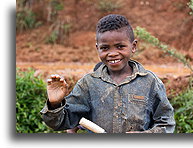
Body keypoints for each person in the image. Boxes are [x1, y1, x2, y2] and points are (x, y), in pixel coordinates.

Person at [40, 14, 175, 133]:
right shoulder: (88, 84)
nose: (112, 53)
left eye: (120, 46)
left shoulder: (150, 83)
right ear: (97, 48)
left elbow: (166, 123)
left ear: (133, 46)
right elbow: (61, 122)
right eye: (105, 48)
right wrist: (55, 104)